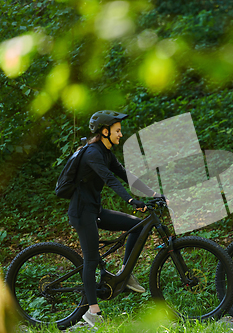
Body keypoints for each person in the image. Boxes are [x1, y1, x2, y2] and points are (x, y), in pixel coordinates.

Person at [67, 110, 164, 327]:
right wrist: (131, 202)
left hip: (95, 211)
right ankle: (92, 313)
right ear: (104, 131)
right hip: (82, 213)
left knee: (138, 226)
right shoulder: (92, 153)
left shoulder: (106, 153)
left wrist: (154, 195)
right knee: (91, 260)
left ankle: (124, 273)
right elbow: (110, 180)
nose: (121, 134)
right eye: (117, 131)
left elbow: (125, 175)